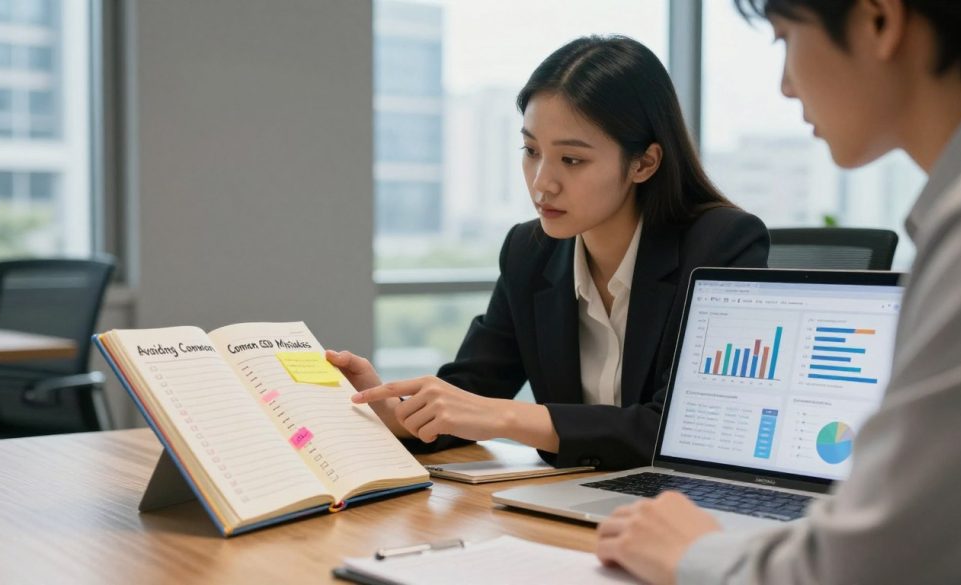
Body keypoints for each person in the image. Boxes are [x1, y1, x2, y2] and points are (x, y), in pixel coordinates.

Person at [595, 1, 961, 583]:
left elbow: (870, 566)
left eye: (785, 38)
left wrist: (689, 552)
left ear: (879, 21)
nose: (784, 86)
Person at [328, 35, 768, 470]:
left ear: (644, 163)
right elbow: (471, 393)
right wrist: (397, 413)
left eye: (571, 160)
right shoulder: (529, 251)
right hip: (570, 501)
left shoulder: (721, 244)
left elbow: (686, 428)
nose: (542, 183)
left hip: (684, 511)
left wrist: (508, 416)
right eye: (532, 151)